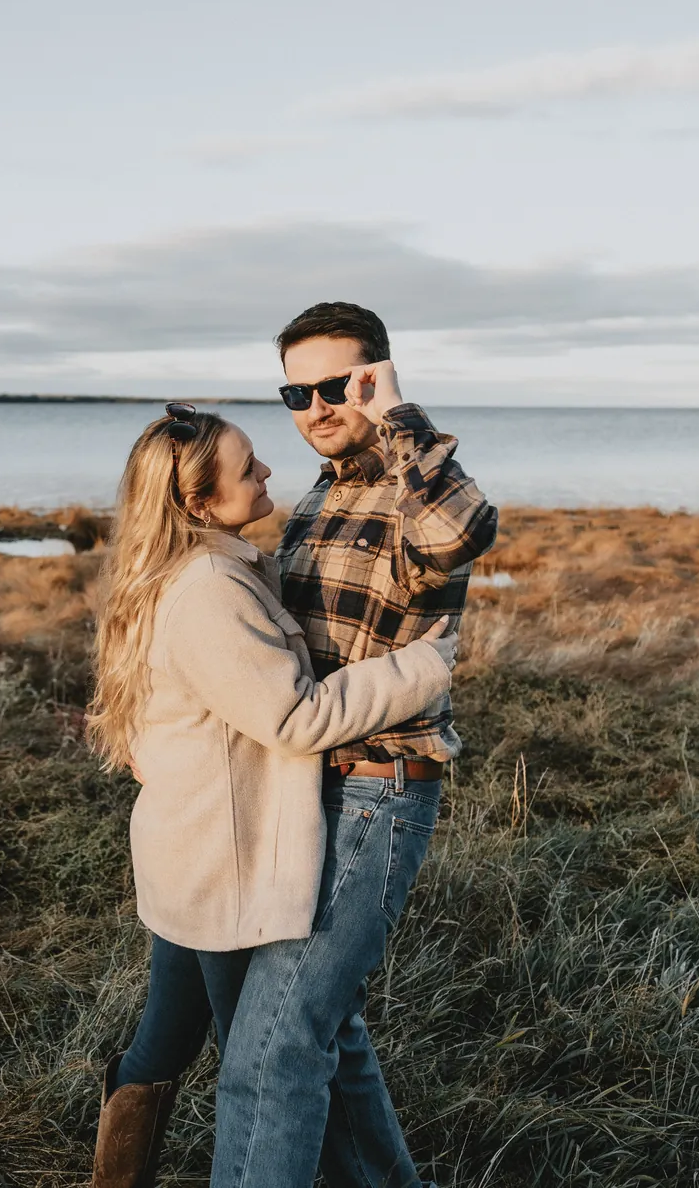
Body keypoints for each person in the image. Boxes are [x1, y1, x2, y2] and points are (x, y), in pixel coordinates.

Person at [87, 402, 458, 1188]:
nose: (266, 473)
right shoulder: (209, 588)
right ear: (195, 502)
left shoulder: (183, 568)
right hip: (222, 863)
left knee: (169, 1033)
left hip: (186, 845)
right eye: (247, 466)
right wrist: (425, 666)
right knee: (259, 1057)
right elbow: (295, 717)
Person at [211, 303, 499, 1188]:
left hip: (375, 792)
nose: (315, 406)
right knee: (327, 1029)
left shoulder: (405, 489)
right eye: (297, 390)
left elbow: (463, 532)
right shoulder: (322, 491)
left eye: (339, 385)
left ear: (378, 377)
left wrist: (399, 418)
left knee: (272, 1050)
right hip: (308, 786)